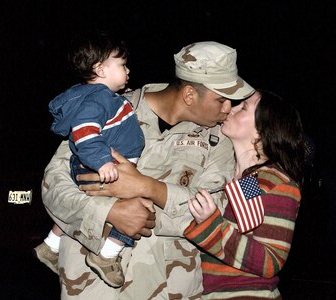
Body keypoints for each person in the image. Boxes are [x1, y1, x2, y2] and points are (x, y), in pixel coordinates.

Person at [41, 41, 255, 299]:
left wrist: (148, 188)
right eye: (221, 99)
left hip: (167, 287)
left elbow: (217, 210)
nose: (227, 109)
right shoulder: (108, 106)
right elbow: (54, 183)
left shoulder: (218, 140)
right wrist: (109, 212)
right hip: (91, 287)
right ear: (189, 95)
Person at [33, 31, 145, 288]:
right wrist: (102, 161)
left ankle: (51, 246)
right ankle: (106, 256)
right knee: (139, 205)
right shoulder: (98, 98)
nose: (128, 70)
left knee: (84, 203)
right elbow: (84, 131)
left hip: (98, 164)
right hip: (102, 166)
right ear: (101, 69)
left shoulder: (101, 97)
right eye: (122, 65)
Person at [183, 90, 306, 299]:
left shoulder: (276, 183)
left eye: (244, 107)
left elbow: (270, 261)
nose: (231, 108)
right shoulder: (229, 175)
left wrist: (210, 226)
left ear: (260, 133)